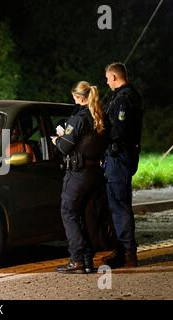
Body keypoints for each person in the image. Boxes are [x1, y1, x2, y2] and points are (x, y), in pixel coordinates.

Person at [51, 81, 107, 274]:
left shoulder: (78, 119)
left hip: (78, 172)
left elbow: (65, 146)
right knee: (87, 216)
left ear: (79, 98)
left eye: (74, 97)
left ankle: (76, 259)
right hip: (95, 173)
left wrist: (57, 139)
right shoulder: (100, 116)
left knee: (68, 212)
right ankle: (88, 259)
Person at [101, 62, 143, 268]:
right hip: (124, 156)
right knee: (117, 204)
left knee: (119, 205)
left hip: (119, 158)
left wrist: (103, 140)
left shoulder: (123, 99)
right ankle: (122, 250)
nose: (107, 82)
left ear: (115, 77)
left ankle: (128, 253)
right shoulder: (131, 96)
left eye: (108, 78)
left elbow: (118, 131)